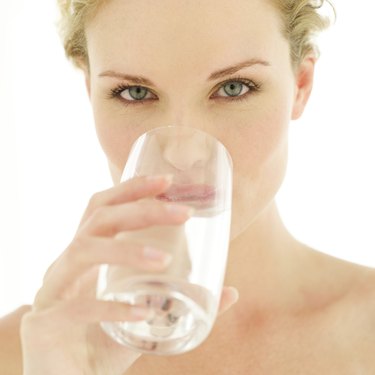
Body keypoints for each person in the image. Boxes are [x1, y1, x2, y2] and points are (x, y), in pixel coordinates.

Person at [1, 0, 375, 373]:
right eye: (134, 92)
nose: (182, 154)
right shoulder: (25, 353)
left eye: (233, 88)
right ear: (90, 93)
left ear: (300, 85)